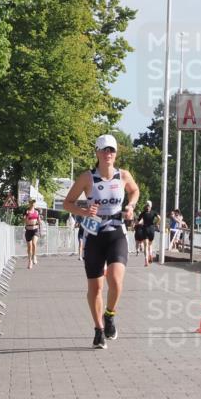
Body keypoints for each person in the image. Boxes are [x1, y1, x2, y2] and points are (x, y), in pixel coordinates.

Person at [63, 134, 140, 349]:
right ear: (97, 153)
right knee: (95, 288)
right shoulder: (87, 178)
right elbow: (67, 203)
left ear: (116, 154)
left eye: (112, 150)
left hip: (116, 231)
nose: (108, 154)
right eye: (104, 150)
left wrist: (131, 206)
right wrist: (84, 211)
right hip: (94, 234)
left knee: (115, 280)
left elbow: (134, 191)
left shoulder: (123, 175)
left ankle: (110, 315)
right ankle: (98, 330)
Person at [136, 201, 159, 267]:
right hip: (151, 229)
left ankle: (146, 260)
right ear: (151, 206)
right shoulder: (154, 212)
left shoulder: (143, 213)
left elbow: (137, 221)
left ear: (146, 206)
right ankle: (151, 254)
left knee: (145, 245)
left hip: (145, 229)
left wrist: (136, 224)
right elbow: (159, 218)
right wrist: (156, 224)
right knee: (150, 244)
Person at [24, 199, 41, 269]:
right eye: (31, 203)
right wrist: (28, 215)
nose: (33, 204)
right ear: (29, 204)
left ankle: (34, 256)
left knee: (34, 243)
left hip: (35, 230)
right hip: (28, 230)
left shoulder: (37, 212)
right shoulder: (26, 211)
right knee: (29, 247)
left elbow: (39, 221)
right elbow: (25, 221)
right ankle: (29, 261)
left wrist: (40, 223)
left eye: (34, 203)